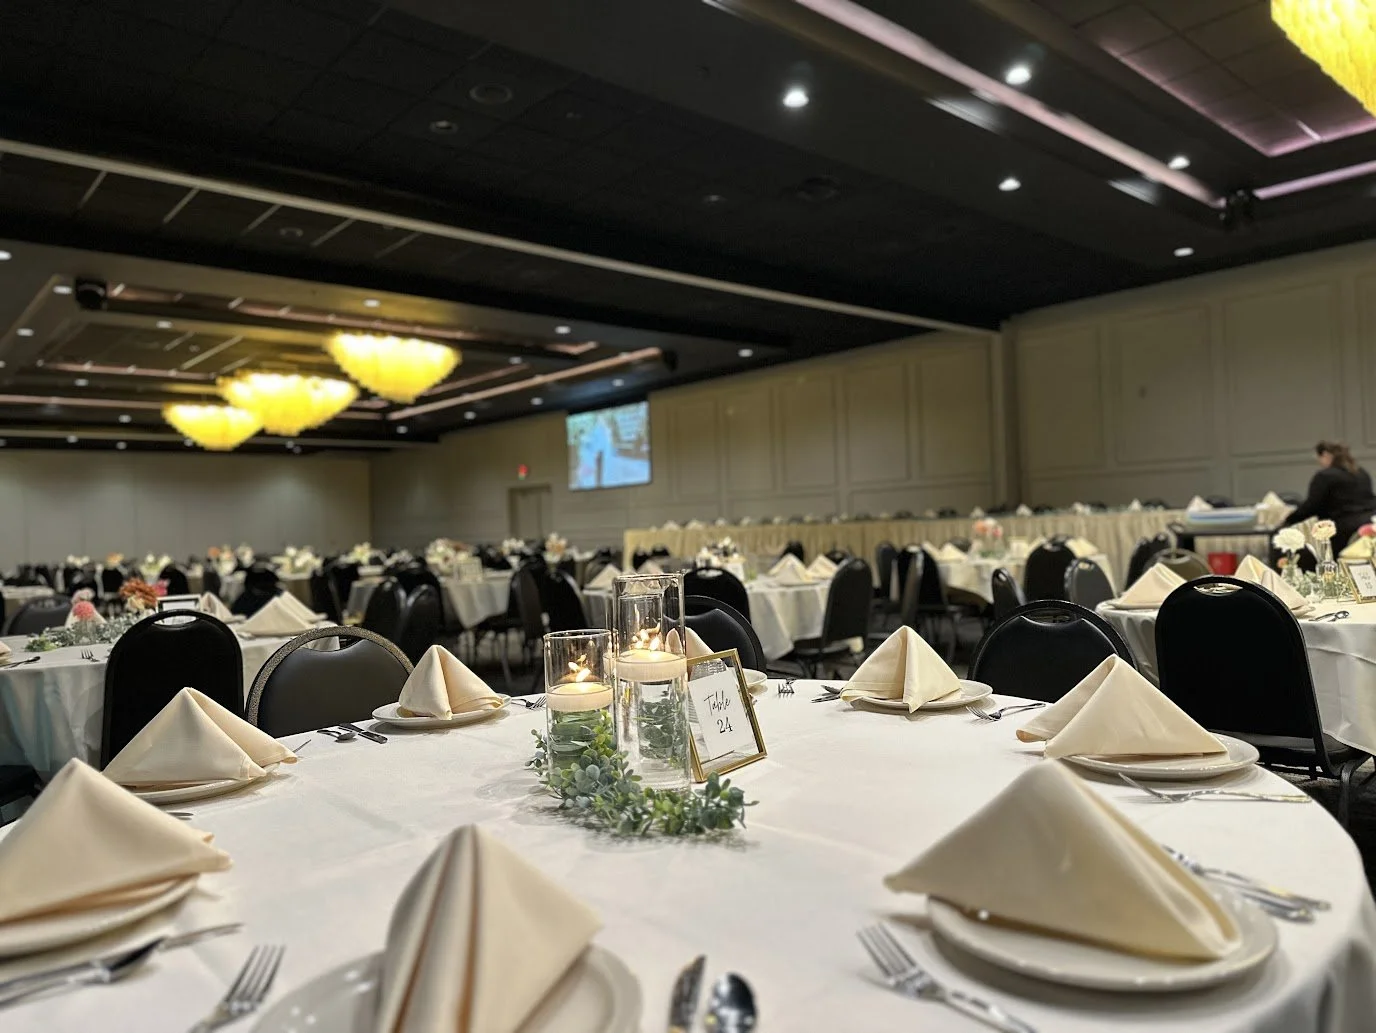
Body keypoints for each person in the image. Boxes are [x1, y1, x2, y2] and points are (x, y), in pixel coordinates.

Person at [1281, 441, 1376, 548]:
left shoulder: (1324, 476)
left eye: (1319, 459)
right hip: (1369, 524)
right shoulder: (1361, 472)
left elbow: (1312, 506)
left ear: (1325, 455)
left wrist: (1289, 520)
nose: (1320, 463)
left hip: (1343, 529)